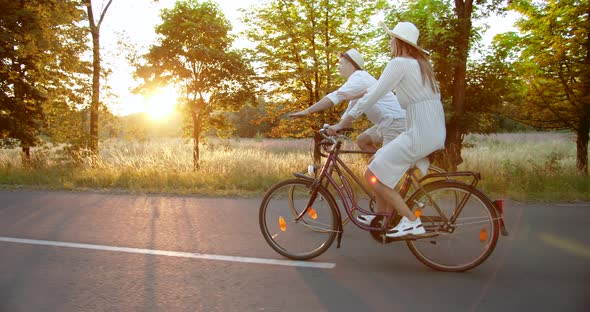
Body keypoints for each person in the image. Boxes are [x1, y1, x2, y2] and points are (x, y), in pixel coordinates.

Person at [327, 22, 446, 237]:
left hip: (418, 134)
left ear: (399, 42)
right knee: (377, 164)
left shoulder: (398, 64)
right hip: (432, 131)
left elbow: (373, 95)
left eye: (391, 38)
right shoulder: (421, 66)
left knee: (371, 174)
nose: (389, 42)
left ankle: (411, 221)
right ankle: (381, 216)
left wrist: (343, 123)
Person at [289, 48, 406, 153]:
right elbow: (350, 111)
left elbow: (333, 98)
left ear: (350, 64)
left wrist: (307, 111)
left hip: (395, 122)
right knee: (363, 141)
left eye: (340, 63)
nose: (338, 67)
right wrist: (338, 126)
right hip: (388, 123)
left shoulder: (359, 77)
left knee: (380, 165)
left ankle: (390, 171)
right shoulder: (359, 81)